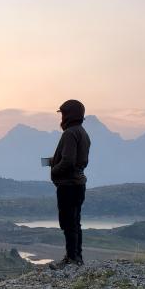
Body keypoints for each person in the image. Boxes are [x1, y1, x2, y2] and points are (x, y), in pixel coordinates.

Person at [48, 100, 91, 270]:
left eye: (64, 113)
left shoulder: (69, 133)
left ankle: (71, 259)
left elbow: (68, 161)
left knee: (68, 223)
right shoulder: (82, 132)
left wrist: (54, 169)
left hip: (69, 186)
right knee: (75, 222)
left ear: (69, 115)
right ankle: (76, 257)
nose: (62, 117)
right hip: (78, 184)